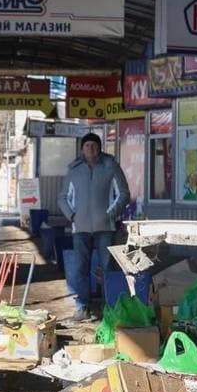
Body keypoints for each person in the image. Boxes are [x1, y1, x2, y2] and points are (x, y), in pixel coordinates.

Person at [57, 133, 131, 324]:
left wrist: (110, 214)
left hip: (105, 228)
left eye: (94, 146)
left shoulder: (110, 166)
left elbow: (123, 193)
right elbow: (63, 197)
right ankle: (82, 307)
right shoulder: (74, 170)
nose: (91, 149)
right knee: (81, 268)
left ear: (100, 148)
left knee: (107, 267)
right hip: (80, 228)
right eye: (87, 146)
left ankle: (108, 307)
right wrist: (72, 216)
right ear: (82, 149)